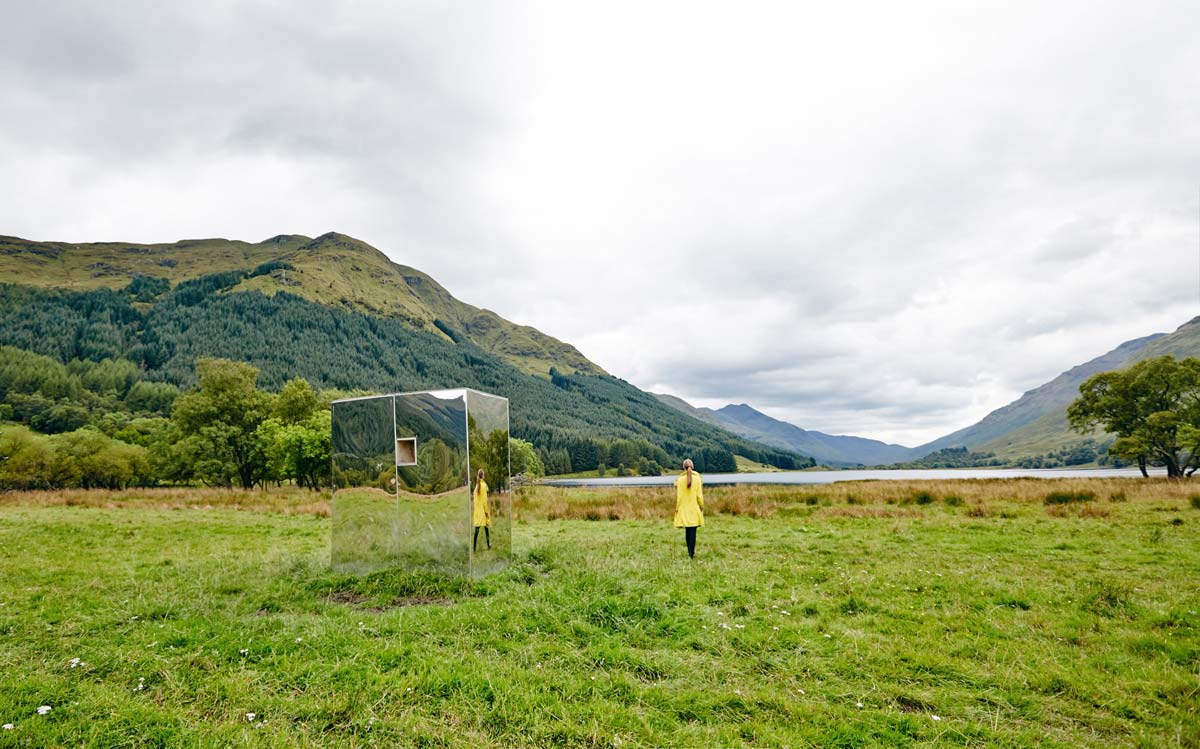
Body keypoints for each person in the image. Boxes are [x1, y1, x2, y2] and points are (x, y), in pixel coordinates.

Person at [674, 458, 704, 558]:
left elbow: (679, 497)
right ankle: (692, 553)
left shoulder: (679, 480)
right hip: (694, 508)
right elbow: (699, 496)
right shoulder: (698, 479)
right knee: (693, 531)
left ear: (683, 467)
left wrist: (677, 508)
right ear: (693, 466)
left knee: (687, 530)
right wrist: (702, 506)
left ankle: (689, 551)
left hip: (684, 508)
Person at [472, 468, 491, 551]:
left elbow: (475, 501)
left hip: (477, 511)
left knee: (477, 530)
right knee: (486, 528)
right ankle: (488, 545)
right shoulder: (484, 486)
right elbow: (484, 501)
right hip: (483, 510)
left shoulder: (476, 487)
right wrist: (486, 512)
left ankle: (474, 548)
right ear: (483, 476)